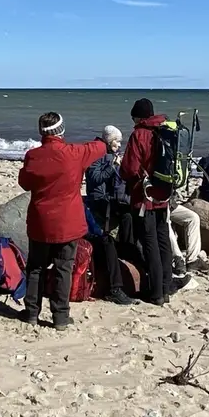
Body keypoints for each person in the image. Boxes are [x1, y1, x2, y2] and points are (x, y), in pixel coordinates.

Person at [16, 112, 110, 329]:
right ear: (61, 130)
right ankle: (60, 316)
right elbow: (100, 147)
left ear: (41, 132)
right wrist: (101, 139)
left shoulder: (33, 156)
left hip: (41, 221)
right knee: (63, 269)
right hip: (67, 222)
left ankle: (31, 312)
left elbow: (24, 183)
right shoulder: (75, 153)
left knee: (36, 268)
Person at [119, 98, 177, 305]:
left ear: (138, 116)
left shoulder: (139, 134)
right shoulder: (164, 131)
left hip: (144, 196)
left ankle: (156, 293)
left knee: (150, 243)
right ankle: (167, 286)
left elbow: (130, 168)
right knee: (163, 241)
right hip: (164, 194)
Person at [84, 126, 137, 305]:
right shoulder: (96, 153)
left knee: (128, 215)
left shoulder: (109, 154)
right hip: (97, 199)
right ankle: (116, 284)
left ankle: (128, 252)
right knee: (111, 233)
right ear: (108, 140)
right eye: (117, 141)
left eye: (121, 141)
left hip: (109, 198)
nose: (119, 144)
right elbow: (94, 177)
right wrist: (112, 167)